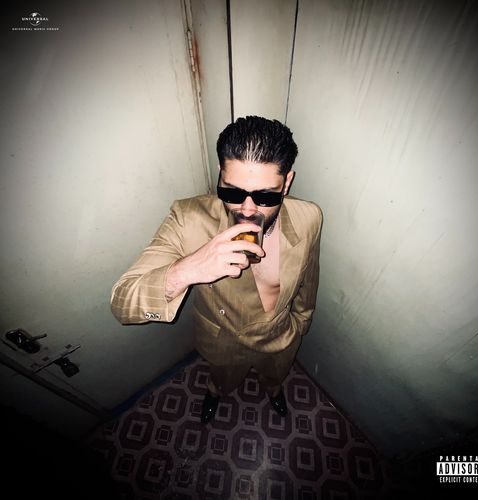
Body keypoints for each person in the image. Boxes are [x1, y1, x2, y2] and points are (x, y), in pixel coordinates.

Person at [111, 116, 322, 423]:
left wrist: (301, 322)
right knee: (222, 379)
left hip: (281, 336)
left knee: (275, 376)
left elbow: (309, 277)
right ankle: (215, 391)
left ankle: (274, 390)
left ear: (286, 183)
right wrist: (187, 269)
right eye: (233, 193)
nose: (247, 209)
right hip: (225, 341)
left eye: (265, 196)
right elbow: (122, 302)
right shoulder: (187, 219)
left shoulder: (310, 217)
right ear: (220, 176)